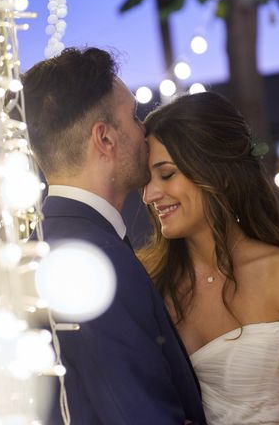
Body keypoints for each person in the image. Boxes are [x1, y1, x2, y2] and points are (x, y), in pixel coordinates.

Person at [139, 91, 279, 425]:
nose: (149, 194)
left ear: (218, 173)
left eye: (167, 174)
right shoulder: (148, 281)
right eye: (146, 179)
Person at [21, 47, 206, 425]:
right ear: (104, 139)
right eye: (134, 117)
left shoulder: (38, 244)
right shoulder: (95, 264)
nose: (144, 133)